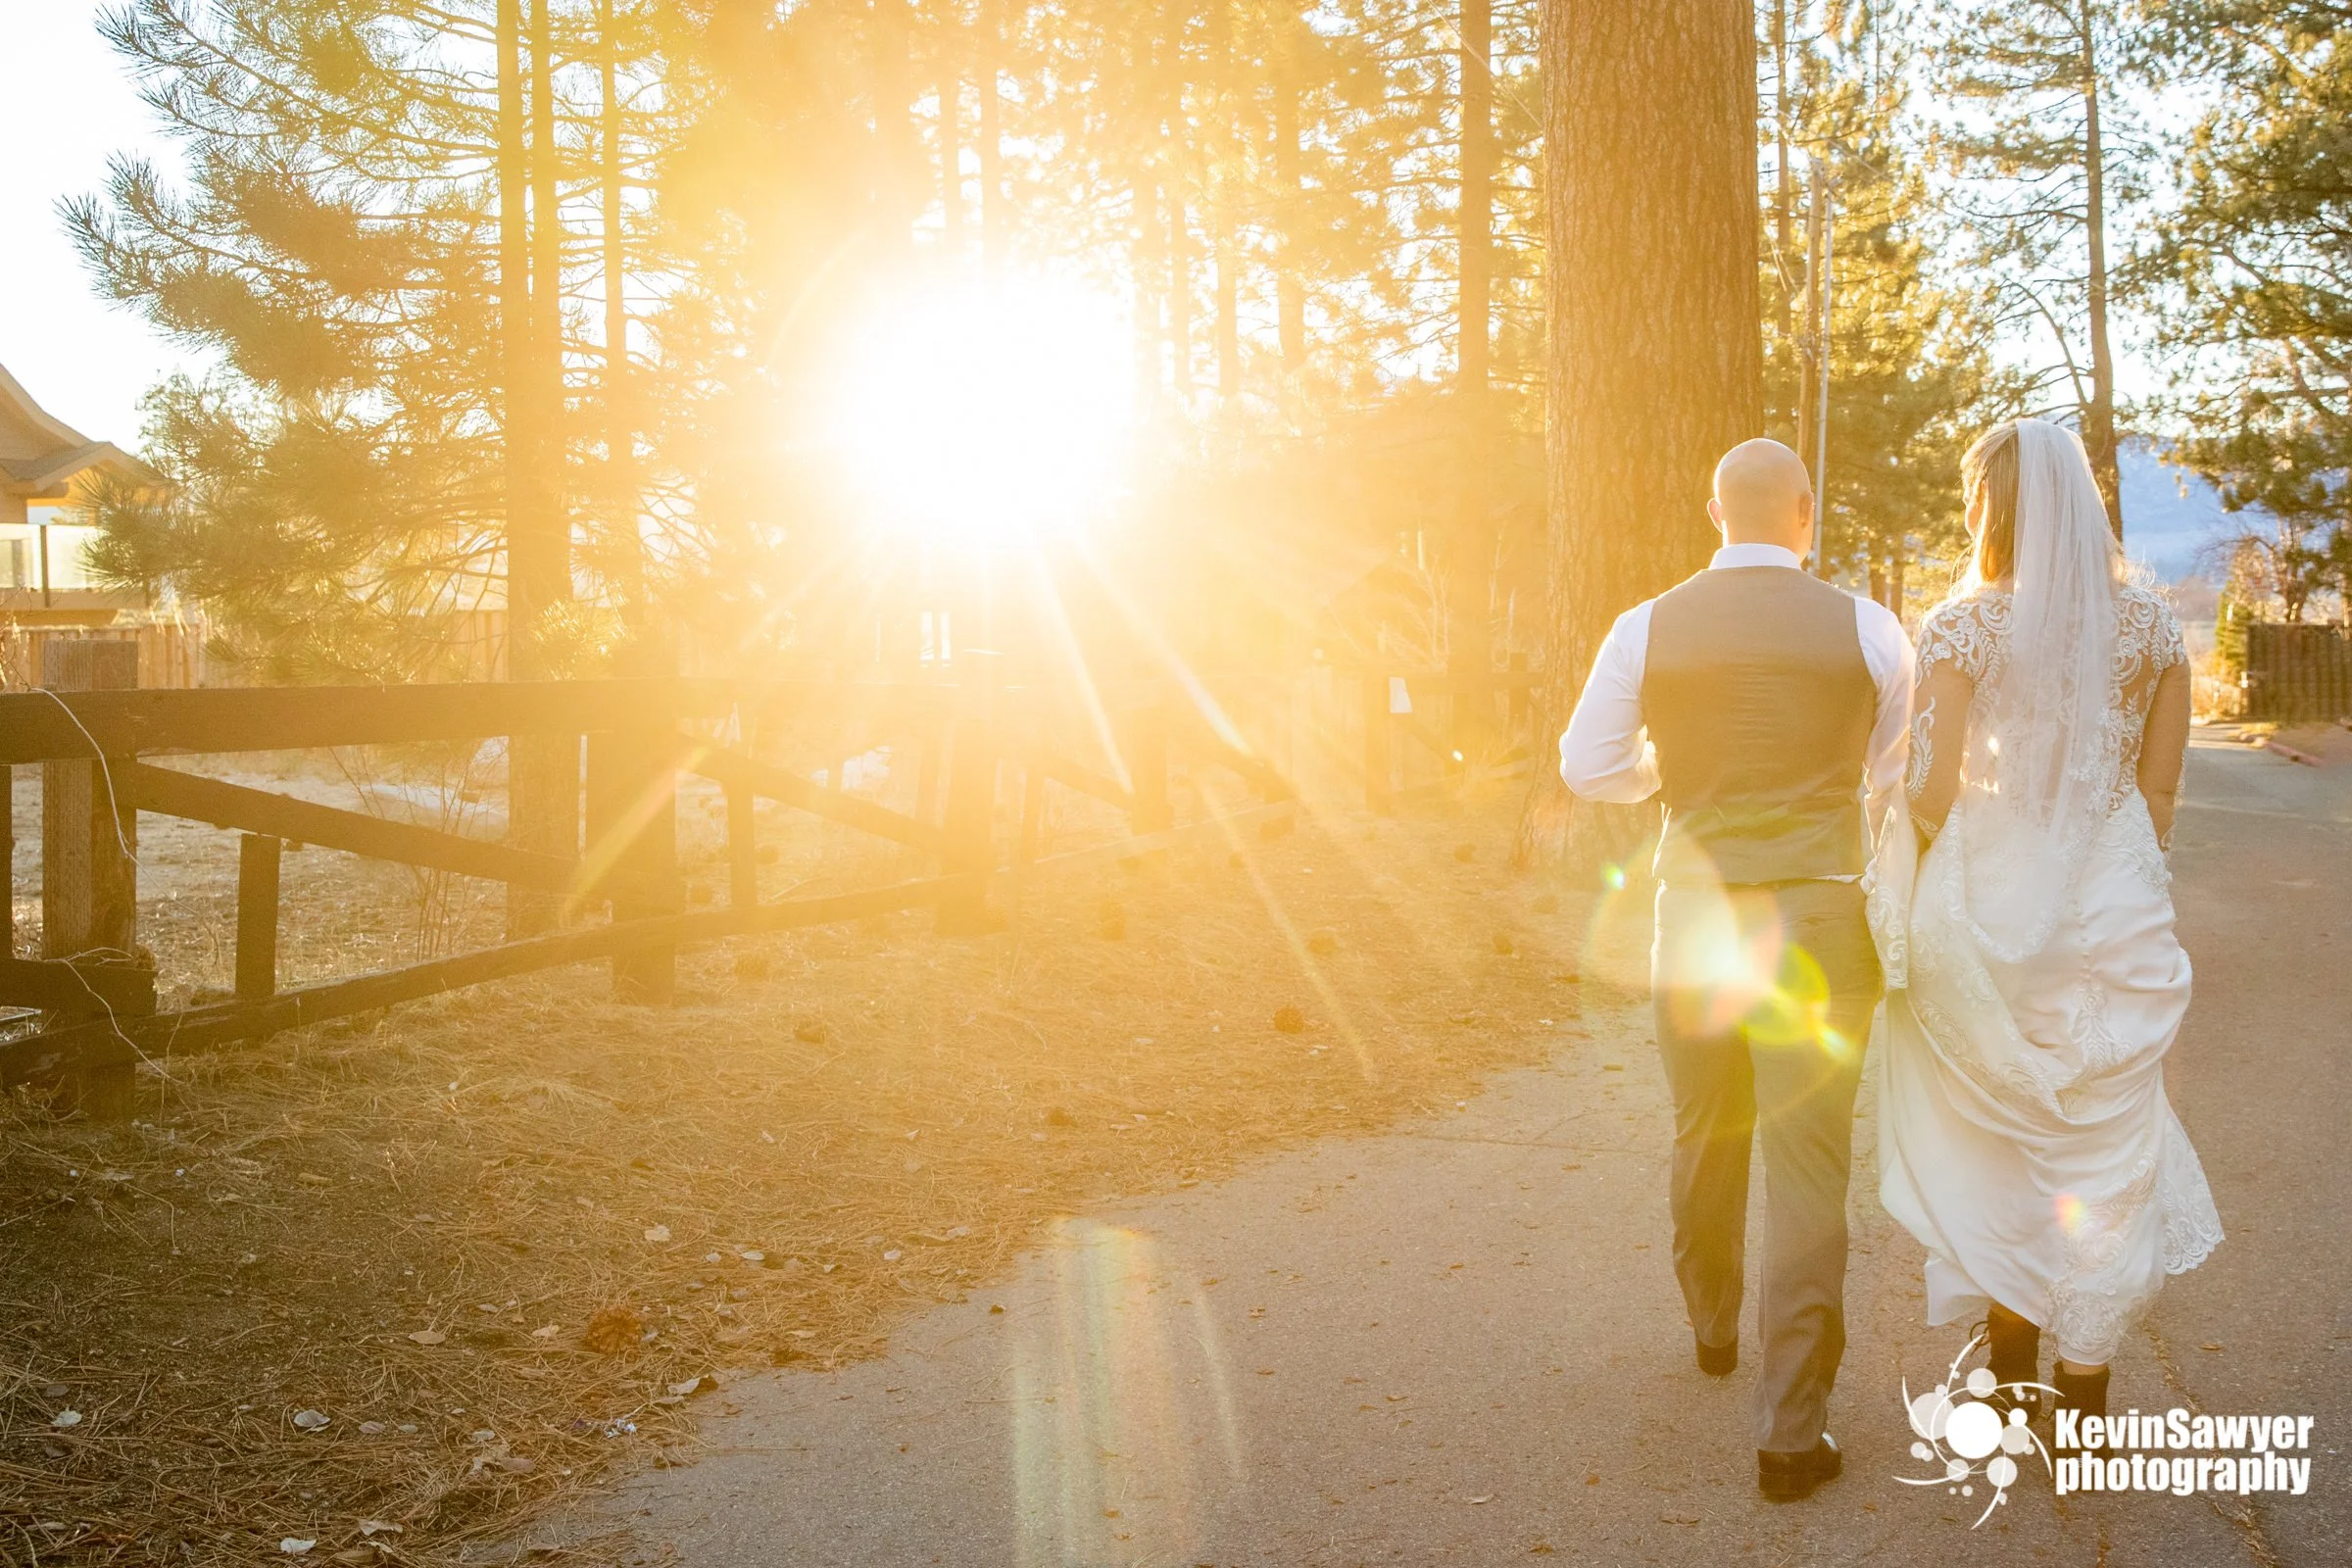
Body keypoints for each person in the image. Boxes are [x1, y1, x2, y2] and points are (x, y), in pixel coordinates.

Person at [1559, 437, 1912, 1501]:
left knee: (1705, 1128)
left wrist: (1669, 771)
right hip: (1820, 923)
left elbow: (1587, 766)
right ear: (1804, 510)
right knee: (1810, 1168)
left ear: (1716, 514)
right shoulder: (1868, 625)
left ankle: (1713, 1326)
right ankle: (1791, 1435)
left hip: (1698, 919)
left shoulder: (1645, 624)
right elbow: (1894, 767)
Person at [1875, 419, 2223, 1449]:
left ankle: (2011, 1363)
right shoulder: (2155, 629)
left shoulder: (1962, 629)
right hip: (2114, 899)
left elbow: (1932, 790)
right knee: (2104, 1141)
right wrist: (2107, 858)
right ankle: (2085, 1387)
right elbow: (2160, 789)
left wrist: (1915, 864)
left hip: (1995, 893)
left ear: (1992, 507)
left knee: (1999, 1130)